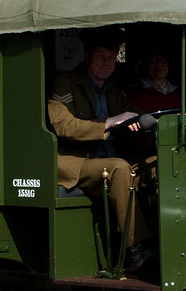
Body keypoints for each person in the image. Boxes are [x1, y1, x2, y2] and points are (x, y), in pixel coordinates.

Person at [46, 28, 156, 273]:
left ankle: (164, 240)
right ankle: (136, 249)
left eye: (111, 57)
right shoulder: (65, 83)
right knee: (118, 167)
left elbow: (133, 112)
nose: (107, 63)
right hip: (76, 161)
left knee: (159, 165)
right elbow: (64, 125)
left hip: (111, 159)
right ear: (87, 57)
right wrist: (109, 122)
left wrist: (153, 121)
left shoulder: (115, 88)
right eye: (100, 57)